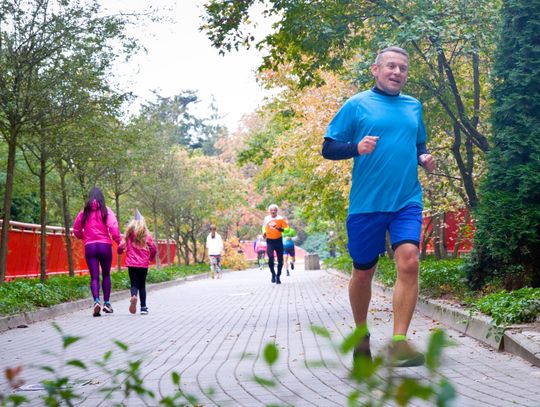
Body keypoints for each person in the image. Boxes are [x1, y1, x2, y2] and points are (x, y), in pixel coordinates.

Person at [322, 46, 436, 367]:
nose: (397, 72)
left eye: (402, 68)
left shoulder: (414, 106)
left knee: (410, 262)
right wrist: (356, 147)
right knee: (363, 272)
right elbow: (328, 148)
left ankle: (399, 343)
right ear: (375, 69)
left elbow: (417, 144)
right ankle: (361, 335)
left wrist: (423, 157)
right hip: (367, 205)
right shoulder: (357, 105)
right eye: (391, 66)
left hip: (406, 200)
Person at [73, 186, 122, 317]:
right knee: (106, 274)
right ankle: (106, 303)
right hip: (105, 246)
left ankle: (96, 301)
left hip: (90, 247)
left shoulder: (84, 212)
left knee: (94, 276)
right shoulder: (106, 211)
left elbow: (76, 229)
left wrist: (84, 237)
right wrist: (118, 241)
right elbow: (113, 227)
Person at [117, 209, 157, 315]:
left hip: (131, 263)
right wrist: (150, 258)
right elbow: (153, 248)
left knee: (134, 284)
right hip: (143, 264)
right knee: (142, 285)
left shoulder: (129, 235)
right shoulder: (146, 235)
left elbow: (121, 245)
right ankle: (143, 308)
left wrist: (119, 251)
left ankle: (134, 296)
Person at [262, 204, 288, 284]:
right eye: (271, 210)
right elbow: (263, 227)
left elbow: (287, 229)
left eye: (274, 210)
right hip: (270, 241)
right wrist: (264, 233)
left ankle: (278, 276)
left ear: (277, 211)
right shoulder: (266, 218)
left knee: (280, 260)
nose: (273, 211)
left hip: (278, 241)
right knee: (270, 258)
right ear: (269, 211)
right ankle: (273, 274)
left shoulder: (280, 219)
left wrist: (282, 230)